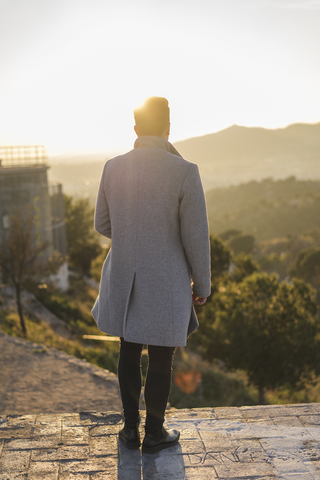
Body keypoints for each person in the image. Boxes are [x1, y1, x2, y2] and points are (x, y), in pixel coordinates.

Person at [92, 96, 211, 454]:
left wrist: (134, 234)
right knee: (161, 356)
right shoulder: (185, 170)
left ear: (135, 129)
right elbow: (196, 236)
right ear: (168, 128)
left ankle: (130, 431)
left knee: (128, 351)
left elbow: (102, 223)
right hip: (168, 278)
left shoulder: (112, 166)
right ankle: (154, 433)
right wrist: (202, 284)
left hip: (124, 274)